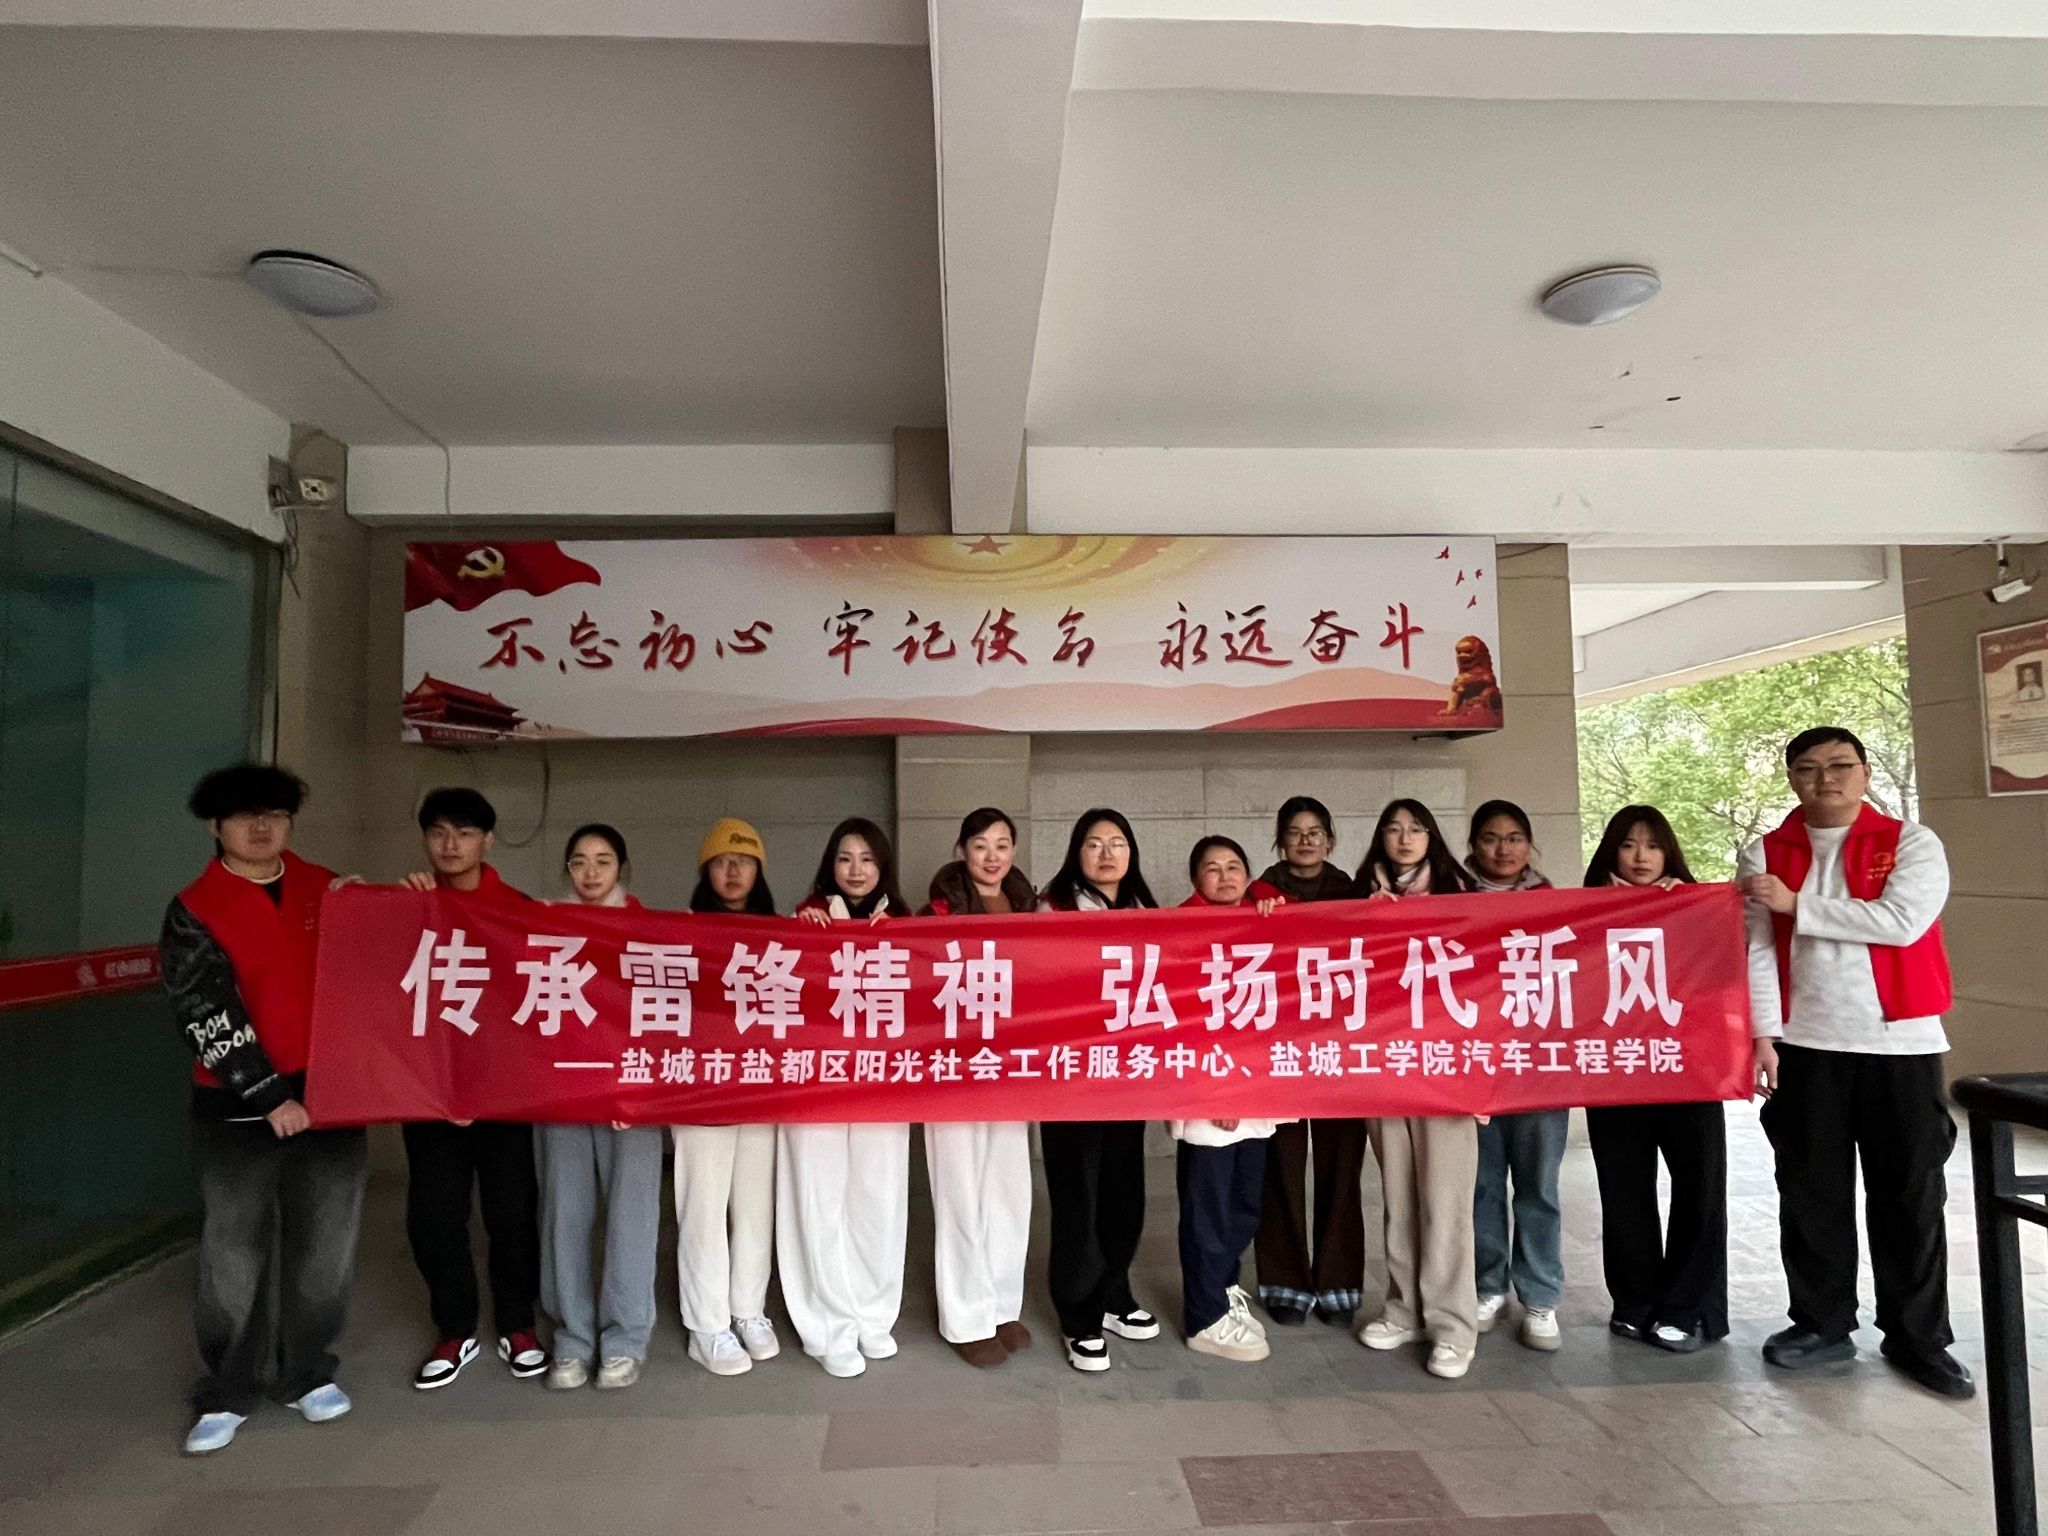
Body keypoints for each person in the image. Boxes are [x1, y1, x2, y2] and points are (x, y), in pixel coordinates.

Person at [1739, 727, 1973, 1399]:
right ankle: (1820, 1322)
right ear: (1792, 778)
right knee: (1810, 1191)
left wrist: (1797, 905)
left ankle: (1918, 1336)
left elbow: (1901, 923)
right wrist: (1763, 1035)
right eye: (1809, 768)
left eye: (1841, 765)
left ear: (1865, 772)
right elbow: (1757, 949)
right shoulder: (1765, 852)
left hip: (1900, 1043)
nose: (1827, 779)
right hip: (1805, 1044)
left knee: (1910, 1193)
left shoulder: (1911, 843)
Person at [162, 763, 367, 1456]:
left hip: (331, 1097)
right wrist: (269, 1093)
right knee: (233, 1253)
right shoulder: (195, 908)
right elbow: (202, 1009)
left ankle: (307, 1372)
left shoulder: (328, 889)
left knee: (325, 1247)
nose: (262, 827)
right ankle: (227, 1389)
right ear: (215, 825)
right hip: (236, 1107)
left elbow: (379, 971)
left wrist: (391, 906)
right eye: (246, 816)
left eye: (275, 815)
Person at [399, 787, 546, 1390]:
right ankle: (454, 1328)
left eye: (463, 833)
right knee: (435, 1216)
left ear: (487, 840)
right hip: (429, 1093)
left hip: (501, 1095)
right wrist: (362, 899)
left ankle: (518, 1324)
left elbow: (534, 1012)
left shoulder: (519, 911)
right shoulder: (407, 907)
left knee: (512, 1215)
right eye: (438, 832)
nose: (450, 844)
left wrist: (488, 1086)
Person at [1582, 806, 1729, 1353]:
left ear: (1669, 852)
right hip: (1615, 1070)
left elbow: (1728, 975)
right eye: (1628, 845)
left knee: (1700, 1189)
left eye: (1652, 845)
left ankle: (1688, 1307)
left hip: (1688, 1069)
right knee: (1624, 1190)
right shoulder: (1582, 911)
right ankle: (1635, 1300)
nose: (1641, 856)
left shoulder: (1698, 906)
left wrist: (1688, 907)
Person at [1355, 799, 1482, 1380]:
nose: (1404, 838)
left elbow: (1493, 986)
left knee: (1446, 1202)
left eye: (1416, 828)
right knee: (1399, 1197)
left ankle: (1454, 1327)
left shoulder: (1463, 896)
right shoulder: (1360, 895)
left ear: (1432, 836)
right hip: (1385, 1067)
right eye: (1393, 829)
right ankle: (1404, 1308)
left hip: (1449, 1071)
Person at [780, 817, 911, 1377]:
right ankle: (827, 1325)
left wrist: (903, 940)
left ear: (883, 866)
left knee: (879, 1202)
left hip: (882, 1084)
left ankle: (872, 1316)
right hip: (818, 1083)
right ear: (829, 865)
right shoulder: (803, 921)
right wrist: (802, 936)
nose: (856, 870)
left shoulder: (906, 925)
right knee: (819, 1201)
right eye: (844, 858)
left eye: (867, 858)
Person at [535, 825, 664, 1390]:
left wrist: (639, 1090)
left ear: (622, 869)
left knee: (632, 1219)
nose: (590, 872)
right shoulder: (541, 926)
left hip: (631, 1096)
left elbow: (668, 1019)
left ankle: (625, 1339)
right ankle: (572, 1339)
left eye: (603, 861)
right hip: (562, 1093)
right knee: (564, 1216)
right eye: (579, 861)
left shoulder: (649, 931)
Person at [1038, 808, 1163, 1372]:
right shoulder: (1052, 910)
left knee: (1123, 1192)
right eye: (1094, 843)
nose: (1107, 854)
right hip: (1071, 1080)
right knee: (1078, 1197)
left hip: (1129, 1078)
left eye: (1117, 843)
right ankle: (1078, 1314)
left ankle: (1114, 1292)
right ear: (1076, 852)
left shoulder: (1147, 912)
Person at [917, 808, 1039, 1368]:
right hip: (953, 1071)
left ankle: (1001, 1304)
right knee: (961, 1194)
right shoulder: (935, 912)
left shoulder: (1032, 909)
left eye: (1003, 844)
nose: (992, 856)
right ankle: (966, 1317)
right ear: (961, 850)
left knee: (1009, 1192)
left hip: (1010, 1068)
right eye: (981, 845)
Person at [1254, 795, 1369, 1328]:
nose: (1305, 840)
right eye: (1295, 832)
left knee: (1341, 1165)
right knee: (1279, 1165)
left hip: (1340, 1048)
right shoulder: (1257, 896)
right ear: (1280, 841)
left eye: (1315, 831)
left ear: (1330, 840)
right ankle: (1284, 1282)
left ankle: (1339, 1279)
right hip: (1278, 1048)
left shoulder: (1357, 895)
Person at [1171, 836, 1287, 1362]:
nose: (1224, 877)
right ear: (1196, 879)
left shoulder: (1264, 918)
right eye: (1212, 869)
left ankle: (1224, 1291)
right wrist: (1212, 1090)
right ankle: (1203, 1317)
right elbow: (1181, 1020)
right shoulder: (1181, 930)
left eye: (1234, 866)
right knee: (1208, 1213)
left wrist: (1270, 905)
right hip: (1208, 1095)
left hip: (1255, 1092)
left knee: (1243, 1206)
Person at [674, 818, 781, 1376]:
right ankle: (706, 1323)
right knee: (704, 1208)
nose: (733, 871)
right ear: (705, 871)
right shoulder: (681, 933)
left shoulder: (783, 936)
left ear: (759, 870)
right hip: (702, 1089)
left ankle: (747, 1310)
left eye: (743, 861)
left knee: (755, 1208)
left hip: (761, 1087)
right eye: (721, 861)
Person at [1463, 800, 1567, 1354]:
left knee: (1538, 1188)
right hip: (1474, 1068)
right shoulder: (1450, 902)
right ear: (1473, 845)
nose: (1502, 849)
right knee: (1482, 1187)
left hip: (1539, 1072)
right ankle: (1488, 1286)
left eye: (1513, 838)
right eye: (1490, 838)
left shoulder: (1556, 905)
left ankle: (1541, 1297)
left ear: (1529, 845)